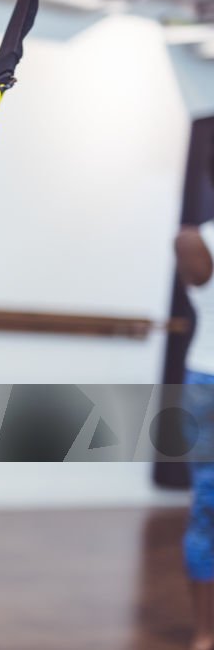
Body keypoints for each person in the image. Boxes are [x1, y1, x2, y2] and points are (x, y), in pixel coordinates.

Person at [177, 221, 214, 650]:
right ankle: (205, 632)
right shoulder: (192, 241)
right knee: (207, 506)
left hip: (203, 379)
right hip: (207, 383)